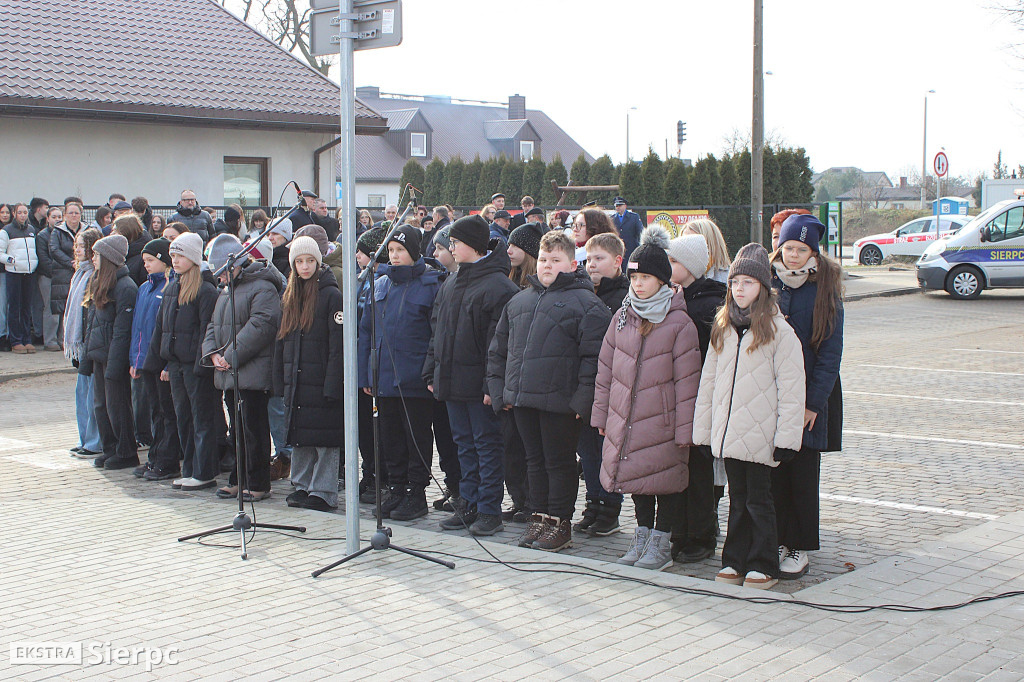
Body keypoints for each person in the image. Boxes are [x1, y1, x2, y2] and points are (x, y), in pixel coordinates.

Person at [693, 243, 806, 590]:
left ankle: (763, 563)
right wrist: (702, 431)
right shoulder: (723, 328)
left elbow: (791, 390)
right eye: (735, 282)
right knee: (737, 500)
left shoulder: (779, 333)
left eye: (748, 283)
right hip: (729, 434)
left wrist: (787, 439)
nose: (739, 289)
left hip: (760, 436)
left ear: (763, 288)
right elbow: (708, 382)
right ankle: (735, 560)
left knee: (759, 501)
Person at [488, 230, 611, 549]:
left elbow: (594, 360)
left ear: (572, 264)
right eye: (543, 259)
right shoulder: (519, 300)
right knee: (534, 461)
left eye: (555, 260)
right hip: (523, 400)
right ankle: (539, 517)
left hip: (562, 403)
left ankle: (559, 522)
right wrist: (502, 392)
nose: (546, 265)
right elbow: (499, 349)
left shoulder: (588, 304)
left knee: (559, 464)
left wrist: (580, 403)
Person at [593, 227, 702, 570]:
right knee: (638, 479)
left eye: (646, 277)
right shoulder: (622, 316)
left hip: (663, 422)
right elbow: (606, 369)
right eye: (634, 277)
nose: (638, 284)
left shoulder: (679, 324)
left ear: (663, 280)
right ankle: (641, 537)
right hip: (627, 417)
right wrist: (601, 417)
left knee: (665, 482)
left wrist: (686, 431)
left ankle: (662, 543)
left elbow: (688, 383)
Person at [424, 215, 519, 535]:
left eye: (455, 242)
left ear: (474, 245)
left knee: (487, 445)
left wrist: (491, 385)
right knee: (462, 444)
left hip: (480, 386)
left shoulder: (499, 286)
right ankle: (469, 502)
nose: (450, 248)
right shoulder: (451, 281)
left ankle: (489, 509)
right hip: (451, 381)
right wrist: (432, 370)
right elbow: (436, 330)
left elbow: (500, 343)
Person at [770, 213, 844, 580]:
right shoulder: (769, 284)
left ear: (813, 252)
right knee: (773, 470)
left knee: (801, 472)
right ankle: (775, 538)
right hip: (770, 394)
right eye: (788, 248)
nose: (793, 256)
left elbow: (831, 352)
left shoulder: (825, 290)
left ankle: (798, 545)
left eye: (801, 249)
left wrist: (814, 403)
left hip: (809, 396)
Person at [359, 226, 442, 520]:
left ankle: (416, 494)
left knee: (415, 437)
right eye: (391, 251)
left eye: (400, 251)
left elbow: (436, 335)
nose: (394, 257)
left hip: (415, 379)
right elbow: (366, 332)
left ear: (414, 252)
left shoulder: (431, 284)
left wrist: (430, 373)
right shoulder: (380, 284)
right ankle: (396, 489)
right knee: (389, 436)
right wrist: (366, 375)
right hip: (383, 378)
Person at [664, 232, 728, 562]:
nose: (668, 265)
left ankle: (701, 535)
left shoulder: (708, 304)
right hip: (676, 399)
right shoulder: (675, 299)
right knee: (679, 469)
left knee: (700, 471)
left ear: (690, 266)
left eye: (674, 261)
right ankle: (681, 530)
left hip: (701, 399)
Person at [203, 234, 282, 501]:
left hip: (251, 373)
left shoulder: (262, 287)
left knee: (253, 429)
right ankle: (239, 478)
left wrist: (230, 355)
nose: (220, 279)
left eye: (223, 272)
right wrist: (213, 354)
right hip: (229, 371)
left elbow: (262, 325)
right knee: (236, 430)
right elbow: (214, 326)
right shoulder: (227, 291)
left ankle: (257, 481)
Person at [274, 236, 344, 511]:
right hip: (298, 380)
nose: (305, 267)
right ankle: (301, 485)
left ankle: (323, 491)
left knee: (325, 439)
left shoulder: (331, 295)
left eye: (310, 261)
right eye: (299, 262)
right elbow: (282, 341)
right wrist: (281, 380)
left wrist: (333, 383)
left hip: (322, 378)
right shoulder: (290, 295)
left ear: (318, 261)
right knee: (300, 435)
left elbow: (338, 346)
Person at [574, 232, 629, 536]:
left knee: (608, 452)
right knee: (588, 453)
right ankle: (593, 503)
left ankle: (610, 507)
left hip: (610, 388)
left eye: (599, 259)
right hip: (585, 388)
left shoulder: (624, 297)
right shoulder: (584, 293)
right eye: (589, 259)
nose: (592, 265)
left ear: (617, 261)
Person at [155, 233, 220, 489]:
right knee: (183, 418)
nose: (175, 260)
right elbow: (163, 328)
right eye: (172, 255)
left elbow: (206, 329)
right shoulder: (172, 288)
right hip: (177, 365)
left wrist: (199, 364)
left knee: (201, 418)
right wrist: (164, 362)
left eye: (180, 255)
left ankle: (204, 472)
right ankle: (190, 468)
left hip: (196, 367)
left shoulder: (205, 290)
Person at [81, 234, 140, 470]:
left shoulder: (125, 287)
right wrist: (87, 358)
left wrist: (115, 366)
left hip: (112, 357)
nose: (93, 258)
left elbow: (122, 332)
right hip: (99, 354)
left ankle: (125, 450)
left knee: (117, 405)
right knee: (101, 406)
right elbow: (92, 323)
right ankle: (110, 448)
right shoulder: (100, 282)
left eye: (96, 255)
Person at [130, 238, 182, 480]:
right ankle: (154, 457)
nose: (147, 265)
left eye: (151, 260)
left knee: (166, 412)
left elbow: (166, 328)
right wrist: (136, 359)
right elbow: (138, 328)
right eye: (144, 261)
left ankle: (168, 459)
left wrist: (167, 362)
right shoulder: (144, 288)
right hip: (147, 360)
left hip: (162, 359)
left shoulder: (170, 287)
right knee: (154, 412)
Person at [354, 226, 390, 502]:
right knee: (364, 428)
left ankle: (382, 476)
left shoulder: (381, 281)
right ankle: (370, 472)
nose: (356, 256)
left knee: (378, 428)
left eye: (362, 251)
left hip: (376, 363)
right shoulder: (361, 280)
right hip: (361, 363)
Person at [65, 228, 104, 458]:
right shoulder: (79, 274)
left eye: (82, 246)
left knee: (92, 396)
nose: (78, 250)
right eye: (76, 246)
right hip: (79, 344)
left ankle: (93, 441)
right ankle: (84, 438)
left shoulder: (93, 276)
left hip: (89, 343)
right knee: (82, 394)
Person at [0, 204, 39, 353]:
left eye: (25, 212)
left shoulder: (31, 230)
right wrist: (12, 260)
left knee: (26, 307)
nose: (23, 215)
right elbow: (1, 253)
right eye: (20, 212)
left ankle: (26, 339)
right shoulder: (6, 231)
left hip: (29, 273)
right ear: (14, 213)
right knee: (14, 307)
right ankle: (15, 340)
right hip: (14, 273)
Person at [35, 205, 63, 350]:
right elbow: (43, 259)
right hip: (48, 276)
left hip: (63, 277)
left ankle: (62, 339)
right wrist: (57, 271)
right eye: (54, 217)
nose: (57, 219)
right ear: (48, 219)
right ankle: (50, 340)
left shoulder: (64, 233)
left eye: (59, 217)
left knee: (63, 308)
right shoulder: (42, 236)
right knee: (50, 308)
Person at [682, 218, 730, 283]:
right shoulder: (676, 277)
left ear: (710, 243)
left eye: (692, 241)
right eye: (683, 241)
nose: (686, 246)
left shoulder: (730, 278)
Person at [112, 214, 152, 286]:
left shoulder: (143, 257)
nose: (111, 234)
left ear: (126, 232)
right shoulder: (119, 252)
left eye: (115, 231)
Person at [612, 197, 644, 263]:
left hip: (631, 249)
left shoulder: (634, 217)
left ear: (625, 206)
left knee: (632, 268)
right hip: (618, 250)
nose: (618, 207)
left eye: (620, 205)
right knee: (619, 268)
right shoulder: (612, 219)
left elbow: (640, 232)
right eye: (616, 206)